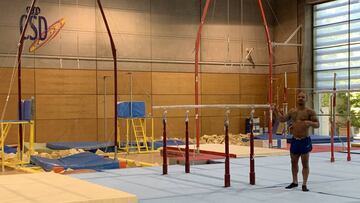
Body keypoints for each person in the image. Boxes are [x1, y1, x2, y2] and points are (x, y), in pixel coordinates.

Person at [274, 90, 319, 192]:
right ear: (296, 98)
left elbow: (317, 125)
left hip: (304, 140)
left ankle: (304, 184)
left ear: (306, 99)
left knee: (305, 163)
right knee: (293, 162)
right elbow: (281, 119)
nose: (301, 99)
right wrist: (275, 110)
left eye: (303, 97)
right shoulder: (292, 111)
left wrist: (309, 122)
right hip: (295, 140)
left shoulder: (310, 112)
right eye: (299, 97)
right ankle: (294, 182)